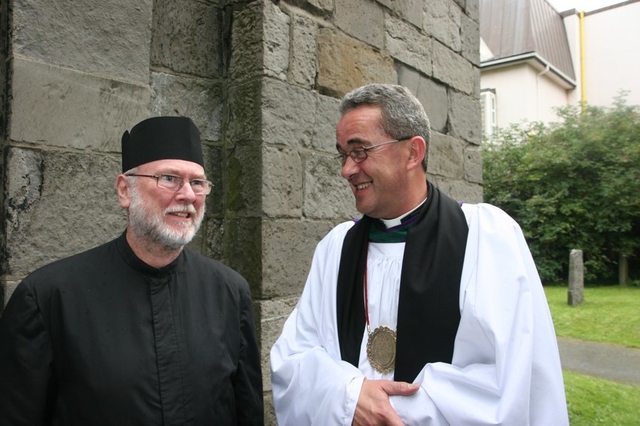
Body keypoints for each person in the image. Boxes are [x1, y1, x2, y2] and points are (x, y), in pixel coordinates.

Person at [270, 84, 569, 425]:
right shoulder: (335, 248)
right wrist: (349, 396)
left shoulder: (486, 239)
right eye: (343, 154)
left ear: (413, 153)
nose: (346, 170)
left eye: (360, 152)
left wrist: (387, 410)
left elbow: (515, 378)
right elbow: (293, 356)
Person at [0, 116, 264, 425]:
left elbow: (246, 411)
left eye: (197, 182)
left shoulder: (230, 292)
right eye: (169, 178)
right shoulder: (47, 298)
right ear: (125, 190)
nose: (188, 195)